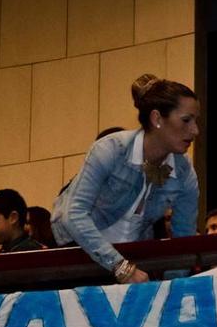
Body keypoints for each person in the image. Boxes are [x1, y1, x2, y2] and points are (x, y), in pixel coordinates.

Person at [52, 73, 200, 283]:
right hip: (79, 253)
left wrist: (171, 286)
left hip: (134, 261)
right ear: (157, 118)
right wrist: (122, 268)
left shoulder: (185, 173)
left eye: (196, 121)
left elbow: (184, 238)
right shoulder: (111, 149)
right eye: (186, 120)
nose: (195, 130)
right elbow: (73, 214)